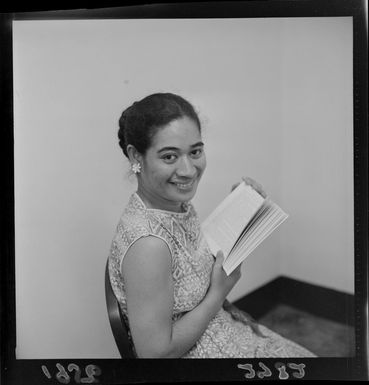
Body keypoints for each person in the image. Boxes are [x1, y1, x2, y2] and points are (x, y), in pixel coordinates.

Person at [108, 92, 316, 358]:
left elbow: (185, 264)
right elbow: (154, 354)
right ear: (136, 156)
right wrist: (219, 292)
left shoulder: (170, 206)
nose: (188, 170)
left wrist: (239, 210)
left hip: (223, 326)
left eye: (195, 151)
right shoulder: (148, 246)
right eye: (169, 157)